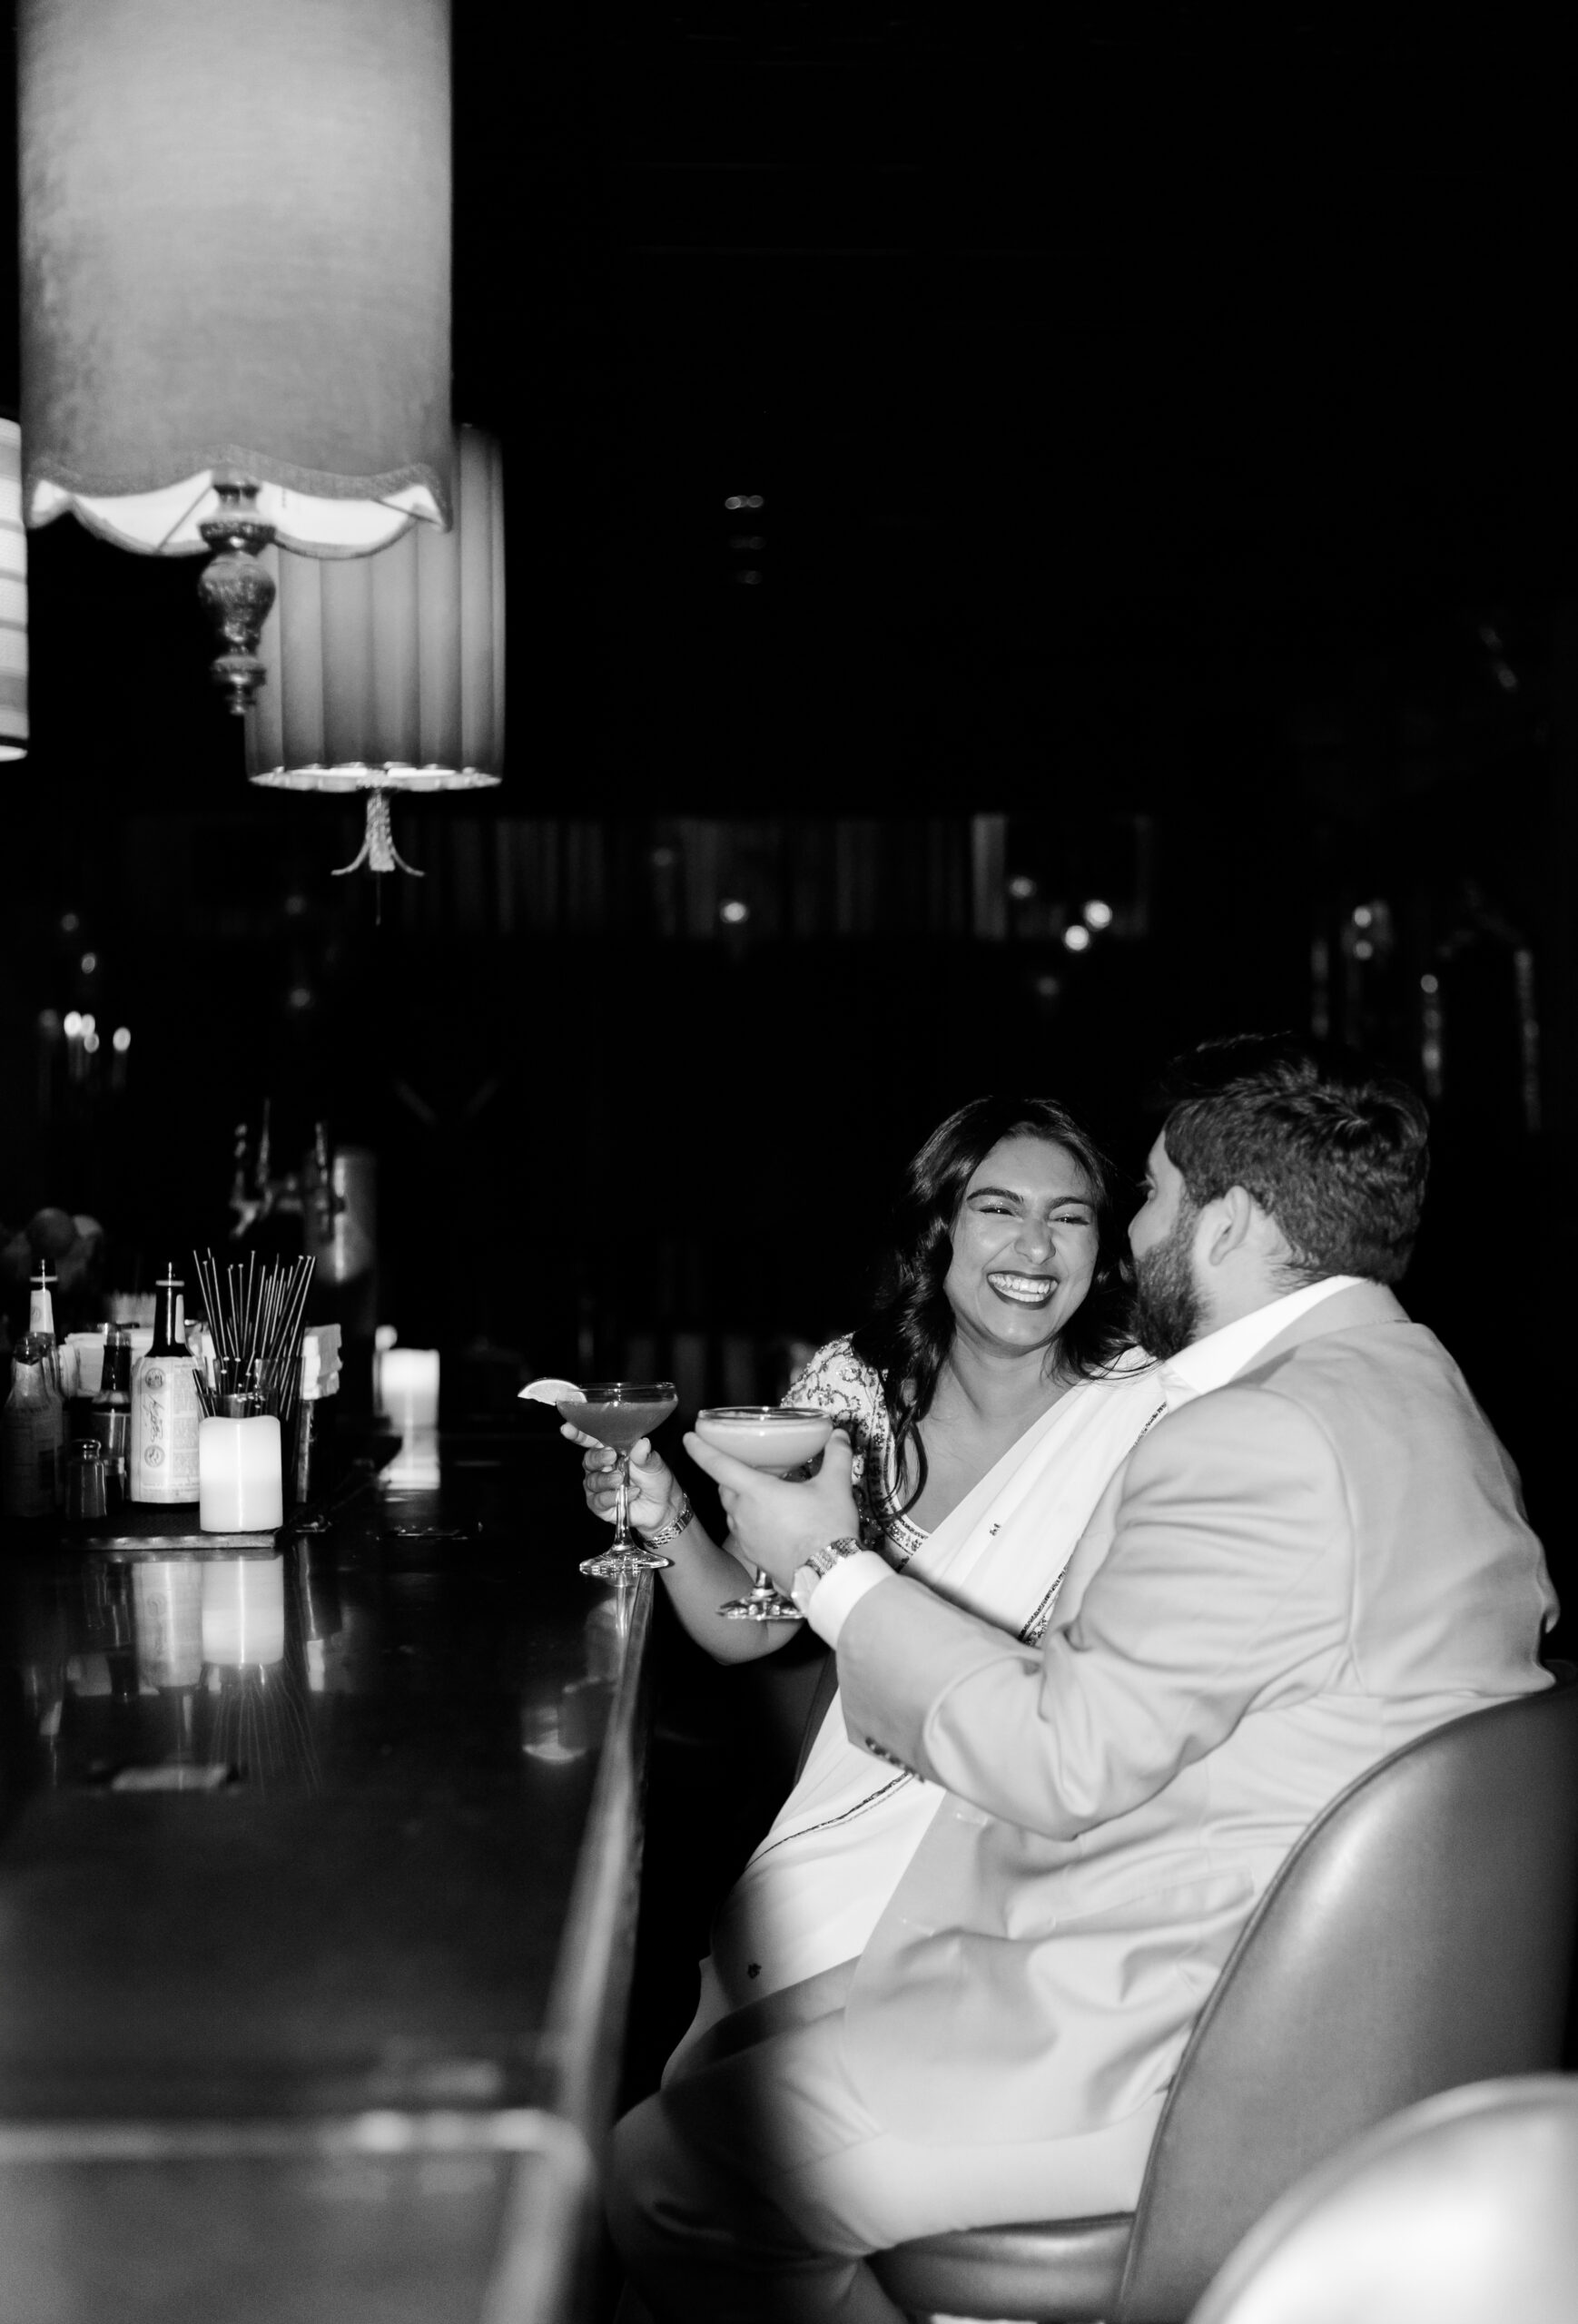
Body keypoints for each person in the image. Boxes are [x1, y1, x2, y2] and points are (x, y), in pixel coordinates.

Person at [607, 1034, 1558, 2324]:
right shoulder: (1423, 1389)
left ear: (1223, 1225)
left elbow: (1062, 1764)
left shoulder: (1255, 1435)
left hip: (1192, 2027)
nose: (1126, 1233)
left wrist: (831, 1564)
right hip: (1307, 1970)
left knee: (670, 2166)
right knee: (733, 2041)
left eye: (1148, 1198)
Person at [570, 1095, 1167, 2055]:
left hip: (1044, 1848)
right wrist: (663, 1510)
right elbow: (749, 1624)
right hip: (858, 1826)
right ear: (939, 1229)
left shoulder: (1149, 1409)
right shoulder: (856, 1393)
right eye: (998, 1209)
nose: (1035, 1248)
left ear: (1102, 1247)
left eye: (1069, 1217)